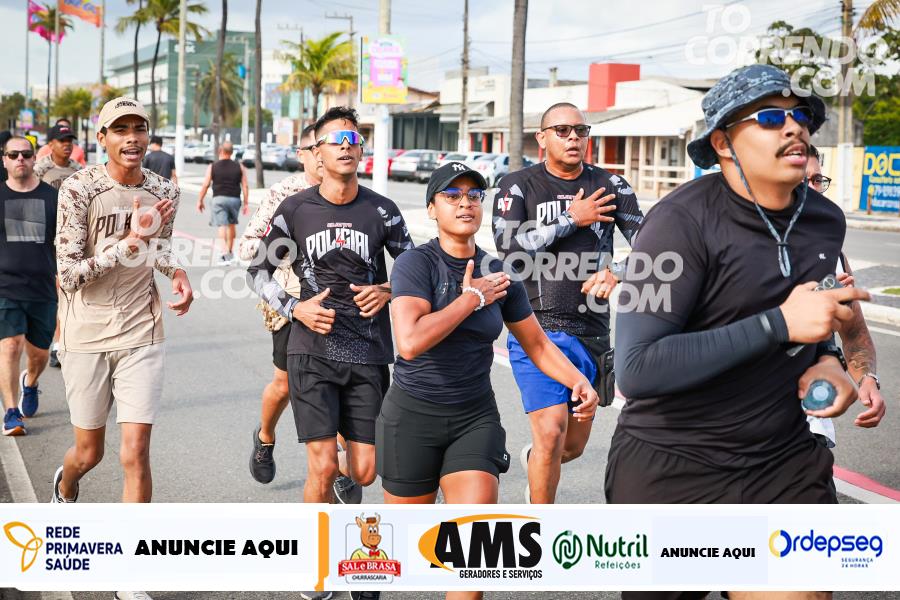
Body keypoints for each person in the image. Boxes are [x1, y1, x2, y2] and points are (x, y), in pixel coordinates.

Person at [381, 162, 599, 600]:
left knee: (473, 561)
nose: (465, 203)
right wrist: (471, 299)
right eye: (452, 195)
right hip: (412, 418)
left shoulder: (500, 272)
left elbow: (537, 344)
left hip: (473, 419)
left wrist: (579, 381)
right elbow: (410, 342)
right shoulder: (415, 264)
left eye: (474, 195)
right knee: (402, 552)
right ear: (432, 209)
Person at [248, 106, 412, 600]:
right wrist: (294, 308)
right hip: (311, 350)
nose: (346, 146)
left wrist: (388, 290)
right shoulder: (295, 209)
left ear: (361, 150)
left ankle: (349, 542)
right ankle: (319, 565)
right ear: (317, 153)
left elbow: (415, 269)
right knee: (322, 467)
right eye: (335, 140)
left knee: (362, 471)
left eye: (353, 139)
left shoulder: (383, 210)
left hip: (368, 351)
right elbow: (257, 271)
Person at [51, 96, 193, 581]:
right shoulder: (79, 189)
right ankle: (66, 484)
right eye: (120, 129)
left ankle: (131, 573)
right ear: (103, 138)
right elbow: (69, 275)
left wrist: (177, 272)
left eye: (139, 128)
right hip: (86, 333)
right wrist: (128, 242)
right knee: (88, 453)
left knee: (135, 452)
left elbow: (160, 247)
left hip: (141, 330)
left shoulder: (161, 189)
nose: (132, 138)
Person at [491, 102, 643, 504]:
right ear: (541, 138)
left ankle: (537, 461)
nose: (573, 137)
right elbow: (509, 251)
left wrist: (618, 272)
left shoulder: (612, 185)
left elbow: (653, 245)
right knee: (551, 432)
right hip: (536, 328)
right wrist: (571, 219)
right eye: (562, 130)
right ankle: (541, 524)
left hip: (592, 331)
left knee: (569, 446)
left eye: (581, 130)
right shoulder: (518, 186)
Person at [239, 124, 357, 500]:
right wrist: (289, 245)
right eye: (315, 148)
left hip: (343, 306)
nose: (325, 155)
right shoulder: (284, 194)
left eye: (335, 145)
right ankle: (265, 436)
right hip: (293, 301)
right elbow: (248, 248)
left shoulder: (351, 192)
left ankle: (336, 465)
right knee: (286, 384)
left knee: (344, 383)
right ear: (304, 154)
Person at [804, 145, 885, 443]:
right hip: (750, 423)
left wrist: (867, 380)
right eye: (802, 180)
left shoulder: (833, 255)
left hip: (812, 422)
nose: (812, 188)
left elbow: (854, 334)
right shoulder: (748, 246)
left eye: (817, 180)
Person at [0, 137, 58, 435]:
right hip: (6, 287)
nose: (20, 159)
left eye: (25, 154)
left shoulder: (52, 197)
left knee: (39, 355)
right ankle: (11, 413)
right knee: (10, 345)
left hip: (42, 288)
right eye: (13, 155)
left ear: (35, 158)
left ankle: (31, 382)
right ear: (4, 160)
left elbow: (66, 244)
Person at [197, 140, 249, 265]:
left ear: (220, 151)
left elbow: (206, 184)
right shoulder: (240, 167)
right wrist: (246, 202)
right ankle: (230, 252)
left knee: (222, 225)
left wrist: (200, 200)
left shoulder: (213, 166)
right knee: (231, 225)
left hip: (218, 199)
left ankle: (224, 253)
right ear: (232, 152)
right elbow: (245, 186)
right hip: (234, 199)